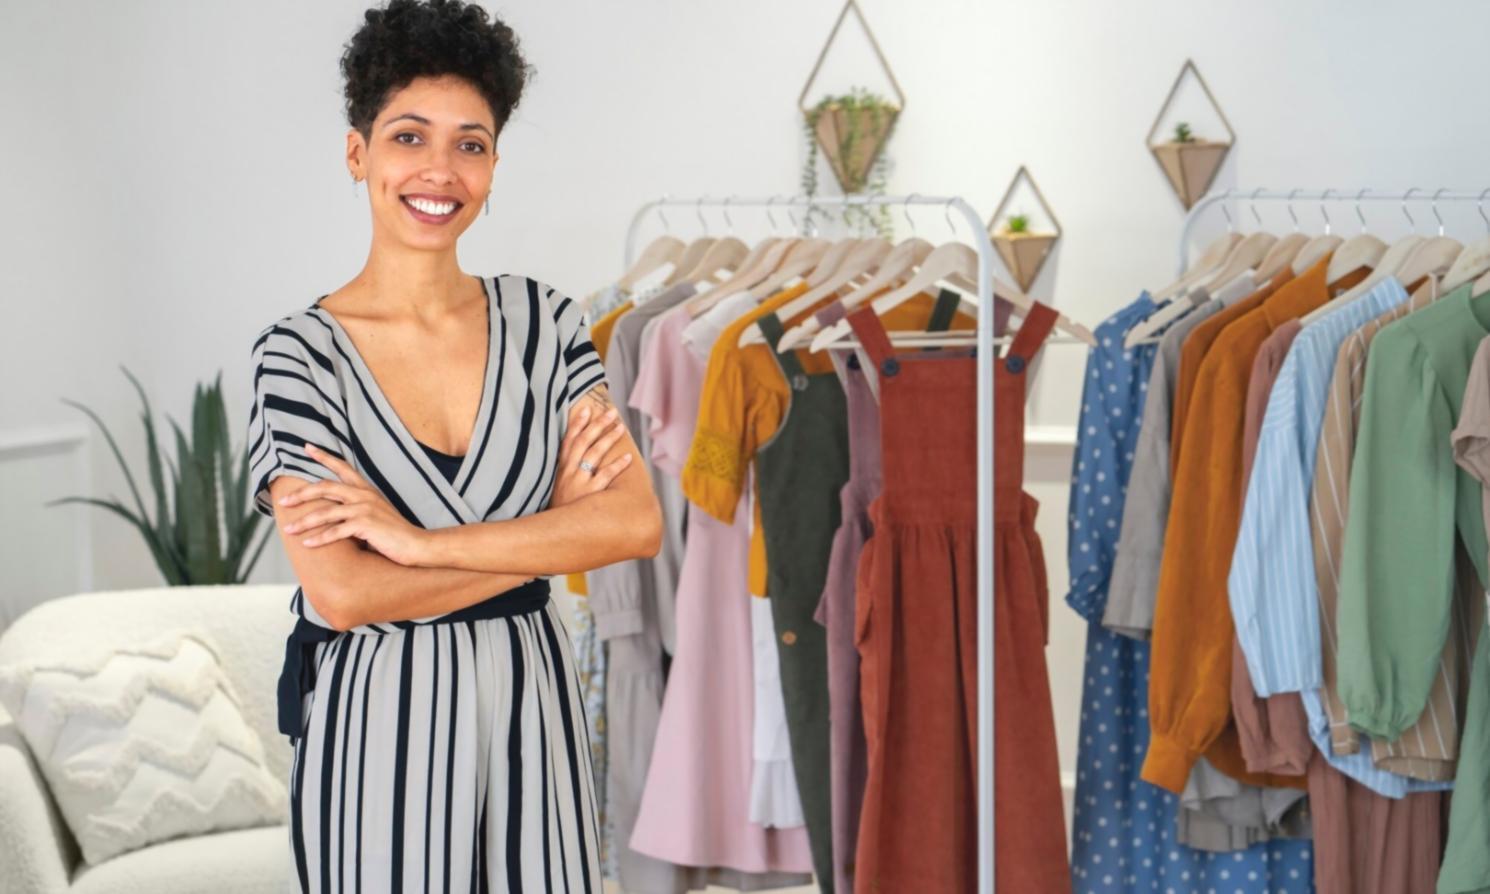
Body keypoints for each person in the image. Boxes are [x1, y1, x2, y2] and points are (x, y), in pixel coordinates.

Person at [244, 1, 662, 889]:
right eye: (408, 137)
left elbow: (634, 524)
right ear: (357, 153)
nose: (440, 170)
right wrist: (552, 528)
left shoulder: (547, 323)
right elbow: (345, 591)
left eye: (470, 144)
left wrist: (422, 546)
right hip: (376, 731)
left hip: (531, 716)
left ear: (495, 165)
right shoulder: (297, 356)